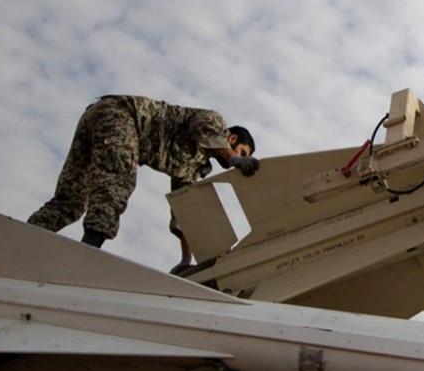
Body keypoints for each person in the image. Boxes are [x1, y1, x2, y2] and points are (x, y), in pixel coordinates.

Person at [29, 95, 259, 263]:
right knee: (117, 181)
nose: (242, 159)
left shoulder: (194, 167)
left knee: (72, 200)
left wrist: (186, 261)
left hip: (100, 119)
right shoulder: (214, 121)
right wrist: (233, 160)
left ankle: (23, 238)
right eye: (243, 152)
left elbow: (185, 209)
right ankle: (88, 252)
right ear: (232, 138)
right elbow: (205, 130)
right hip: (121, 115)